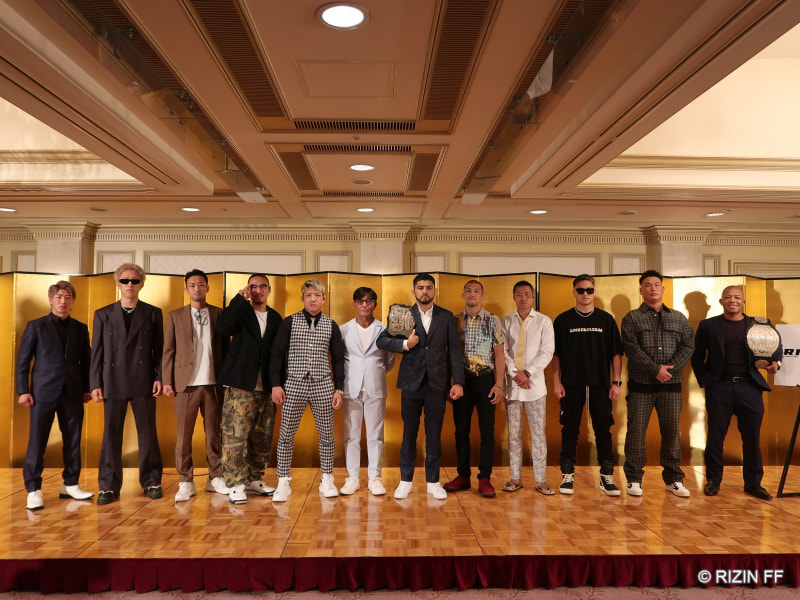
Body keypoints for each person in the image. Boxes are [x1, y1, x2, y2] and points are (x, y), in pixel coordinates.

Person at [377, 273, 464, 501]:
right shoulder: (403, 314)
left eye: (428, 287)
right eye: (420, 288)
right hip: (411, 383)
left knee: (433, 435)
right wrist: (406, 344)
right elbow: (381, 340)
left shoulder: (446, 316)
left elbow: (454, 351)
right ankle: (405, 481)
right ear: (414, 291)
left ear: (434, 291)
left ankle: (433, 482)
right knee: (409, 434)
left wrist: (458, 382)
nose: (424, 291)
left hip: (437, 384)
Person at [691, 285, 782, 500]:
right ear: (721, 301)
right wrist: (705, 381)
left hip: (749, 388)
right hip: (719, 388)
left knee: (752, 438)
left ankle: (753, 483)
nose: (732, 300)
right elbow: (697, 355)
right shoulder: (708, 325)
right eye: (728, 297)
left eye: (737, 297)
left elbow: (776, 347)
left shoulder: (759, 324)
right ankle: (713, 481)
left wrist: (776, 362)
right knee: (715, 437)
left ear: (743, 302)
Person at [91, 264, 164, 505]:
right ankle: (108, 485)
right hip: (112, 381)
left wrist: (160, 377)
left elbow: (160, 351)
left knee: (148, 434)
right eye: (125, 281)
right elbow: (96, 352)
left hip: (144, 380)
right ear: (117, 284)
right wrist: (95, 383)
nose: (129, 285)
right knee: (110, 435)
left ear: (142, 284)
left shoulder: (153, 313)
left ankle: (152, 480)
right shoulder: (103, 314)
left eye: (134, 280)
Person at [16, 280, 93, 510]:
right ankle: (33, 489)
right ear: (51, 300)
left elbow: (87, 361)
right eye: (59, 297)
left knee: (73, 440)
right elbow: (23, 362)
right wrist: (23, 390)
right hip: (42, 393)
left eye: (67, 297)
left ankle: (71, 484)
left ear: (73, 301)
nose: (63, 301)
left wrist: (87, 388)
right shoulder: (36, 326)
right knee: (37, 441)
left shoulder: (80, 328)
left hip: (73, 392)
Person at [270, 278, 345, 502]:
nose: (313, 299)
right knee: (286, 434)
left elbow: (338, 359)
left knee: (327, 435)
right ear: (302, 298)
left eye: (317, 295)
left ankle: (327, 479)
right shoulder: (289, 322)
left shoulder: (331, 325)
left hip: (323, 384)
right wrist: (276, 384)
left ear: (324, 298)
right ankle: (283, 481)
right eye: (309, 295)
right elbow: (277, 354)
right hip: (294, 383)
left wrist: (339, 389)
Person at [621, 269, 694, 497]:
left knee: (672, 434)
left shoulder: (678, 318)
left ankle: (674, 479)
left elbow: (688, 345)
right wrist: (655, 370)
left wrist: (669, 369)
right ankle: (634, 479)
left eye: (656, 285)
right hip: (641, 388)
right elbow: (631, 348)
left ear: (662, 289)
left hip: (671, 387)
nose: (652, 289)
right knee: (636, 433)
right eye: (647, 285)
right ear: (641, 290)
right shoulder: (632, 318)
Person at [552, 275, 624, 496]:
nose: (585, 294)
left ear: (594, 292)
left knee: (603, 431)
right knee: (569, 431)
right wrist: (556, 382)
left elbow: (616, 354)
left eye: (589, 290)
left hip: (600, 385)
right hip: (571, 385)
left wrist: (616, 382)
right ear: (574, 292)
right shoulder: (563, 320)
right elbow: (556, 355)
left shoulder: (606, 320)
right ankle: (567, 475)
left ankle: (607, 476)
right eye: (581, 290)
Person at [162, 269, 229, 502]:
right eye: (192, 285)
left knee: (214, 434)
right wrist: (167, 380)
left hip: (213, 384)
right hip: (185, 385)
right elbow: (168, 350)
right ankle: (185, 481)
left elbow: (226, 350)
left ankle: (216, 477)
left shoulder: (219, 314)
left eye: (201, 284)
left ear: (208, 287)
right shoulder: (175, 316)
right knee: (184, 436)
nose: (197, 288)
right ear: (186, 289)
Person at [216, 273, 283, 504]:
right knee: (235, 436)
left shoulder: (275, 317)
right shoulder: (241, 312)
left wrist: (278, 383)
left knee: (261, 436)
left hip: (267, 387)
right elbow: (223, 328)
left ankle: (254, 478)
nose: (258, 290)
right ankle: (235, 483)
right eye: (253, 286)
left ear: (269, 289)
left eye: (262, 286)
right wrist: (238, 299)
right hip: (240, 384)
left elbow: (278, 354)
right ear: (248, 289)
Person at [444, 280, 505, 498]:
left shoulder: (492, 320)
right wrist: (449, 383)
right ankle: (463, 475)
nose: (472, 294)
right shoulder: (454, 321)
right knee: (461, 430)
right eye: (468, 291)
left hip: (485, 380)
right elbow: (447, 354)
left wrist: (499, 384)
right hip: (461, 382)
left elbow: (499, 353)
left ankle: (485, 477)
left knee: (487, 431)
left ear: (482, 296)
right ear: (463, 295)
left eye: (476, 291)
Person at [339, 287, 395, 496]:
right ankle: (352, 477)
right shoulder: (344, 330)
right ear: (354, 304)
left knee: (376, 436)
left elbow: (390, 360)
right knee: (351, 435)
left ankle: (375, 478)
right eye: (360, 301)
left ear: (375, 304)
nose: (364, 305)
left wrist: (375, 372)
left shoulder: (384, 329)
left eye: (369, 301)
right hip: (350, 387)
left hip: (375, 387)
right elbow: (339, 359)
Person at [501, 280, 555, 495]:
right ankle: (515, 477)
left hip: (535, 387)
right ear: (514, 297)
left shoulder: (544, 321)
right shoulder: (506, 321)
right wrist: (515, 373)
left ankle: (541, 480)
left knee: (538, 434)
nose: (523, 298)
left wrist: (528, 373)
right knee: (513, 434)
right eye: (518, 294)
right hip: (513, 387)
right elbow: (503, 351)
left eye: (527, 294)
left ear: (533, 297)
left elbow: (547, 352)